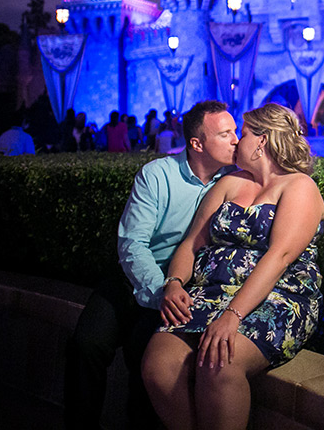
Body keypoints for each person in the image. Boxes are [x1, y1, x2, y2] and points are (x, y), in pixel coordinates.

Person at [142, 103, 324, 430]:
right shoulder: (229, 184)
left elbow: (279, 256)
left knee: (219, 363)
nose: (236, 142)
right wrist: (173, 283)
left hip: (277, 298)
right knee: (158, 364)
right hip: (211, 293)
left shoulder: (299, 187)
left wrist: (233, 315)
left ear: (262, 141)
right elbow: (190, 244)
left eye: (242, 134)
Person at [64, 101, 239, 429]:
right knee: (85, 345)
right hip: (136, 278)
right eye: (225, 133)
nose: (235, 140)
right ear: (197, 144)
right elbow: (132, 243)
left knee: (146, 358)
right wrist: (160, 289)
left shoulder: (233, 182)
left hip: (184, 287)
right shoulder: (159, 174)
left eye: (235, 131)